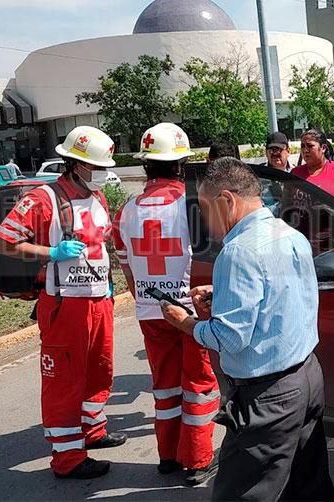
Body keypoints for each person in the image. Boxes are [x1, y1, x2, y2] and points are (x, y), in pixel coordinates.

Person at [161, 157, 334, 501]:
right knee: (307, 484)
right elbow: (285, 294)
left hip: (268, 395)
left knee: (242, 492)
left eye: (207, 210)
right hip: (308, 378)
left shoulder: (238, 251)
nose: (207, 223)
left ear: (227, 200)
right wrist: (222, 294)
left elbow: (230, 338)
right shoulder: (288, 233)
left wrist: (187, 324)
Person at [0, 126, 126, 479]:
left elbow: (104, 244)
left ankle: (92, 433)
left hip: (99, 301)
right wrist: (51, 252)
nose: (102, 174)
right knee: (64, 380)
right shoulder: (42, 199)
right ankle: (67, 459)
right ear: (76, 164)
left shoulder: (97, 198)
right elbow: (2, 242)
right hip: (65, 304)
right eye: (97, 167)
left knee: (100, 371)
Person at [112, 123, 221, 486]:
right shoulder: (193, 205)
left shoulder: (127, 209)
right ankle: (196, 459)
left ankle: (168, 456)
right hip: (190, 311)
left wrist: (145, 296)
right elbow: (210, 260)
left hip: (149, 309)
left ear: (146, 166)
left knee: (165, 386)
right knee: (199, 384)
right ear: (181, 164)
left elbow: (126, 266)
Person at [291, 129, 334, 205]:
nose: (305, 150)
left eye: (310, 146)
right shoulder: (295, 173)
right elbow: (287, 205)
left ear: (323, 148)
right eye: (302, 146)